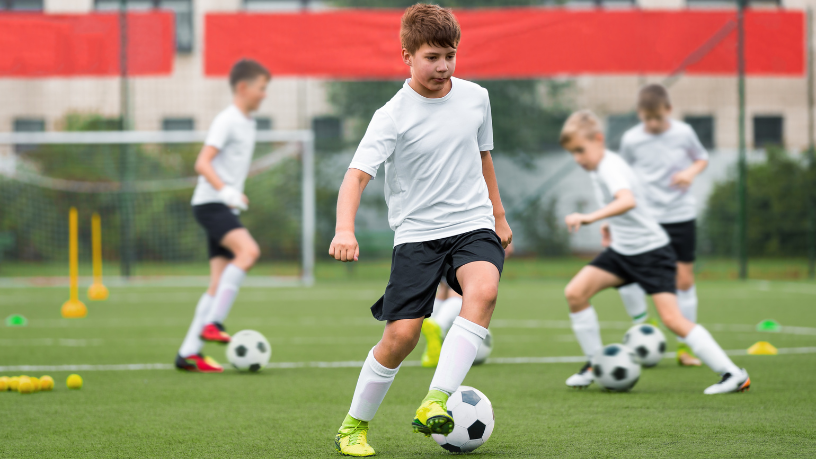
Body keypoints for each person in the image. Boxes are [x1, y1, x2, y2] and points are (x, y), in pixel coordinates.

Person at [329, 4, 512, 456]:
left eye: (449, 55)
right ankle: (354, 425)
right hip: (417, 235)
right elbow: (355, 176)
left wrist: (499, 215)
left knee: (484, 291)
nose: (443, 66)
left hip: (472, 224)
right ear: (407, 55)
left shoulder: (476, 97)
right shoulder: (391, 115)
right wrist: (344, 229)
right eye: (432, 56)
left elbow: (484, 157)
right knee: (401, 337)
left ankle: (436, 398)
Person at [559, 109, 750, 395]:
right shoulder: (601, 168)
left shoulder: (610, 166)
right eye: (572, 152)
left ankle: (733, 374)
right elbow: (621, 206)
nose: (577, 158)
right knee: (576, 293)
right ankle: (594, 364)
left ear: (598, 139)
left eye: (580, 150)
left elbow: (627, 200)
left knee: (672, 320)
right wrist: (610, 225)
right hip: (622, 252)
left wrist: (590, 217)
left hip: (650, 252)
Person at [174, 59, 270, 373]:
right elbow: (203, 163)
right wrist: (225, 190)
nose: (264, 95)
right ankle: (213, 322)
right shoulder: (227, 120)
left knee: (216, 283)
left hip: (220, 205)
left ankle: (189, 353)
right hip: (211, 204)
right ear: (243, 88)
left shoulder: (247, 122)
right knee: (249, 251)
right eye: (261, 88)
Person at [613, 83, 708, 366]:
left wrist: (690, 172)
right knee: (628, 271)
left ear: (669, 110)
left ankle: (685, 347)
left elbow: (702, 158)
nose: (653, 123)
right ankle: (646, 324)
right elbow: (622, 174)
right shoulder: (631, 139)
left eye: (658, 117)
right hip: (646, 217)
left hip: (680, 215)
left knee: (684, 280)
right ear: (639, 114)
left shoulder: (684, 132)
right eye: (647, 117)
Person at [421, 242, 513, 367]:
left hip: (435, 241)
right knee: (459, 288)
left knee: (444, 287)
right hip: (465, 238)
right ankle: (439, 325)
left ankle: (434, 331)